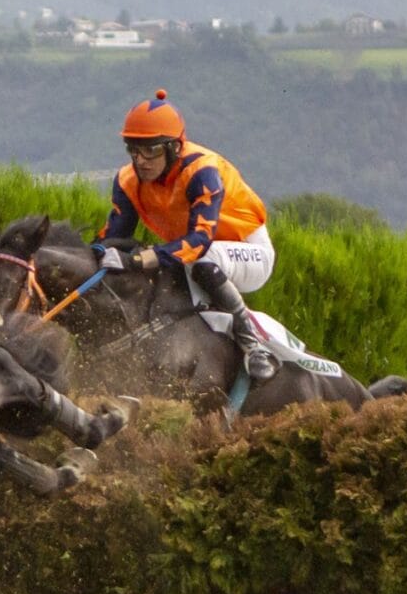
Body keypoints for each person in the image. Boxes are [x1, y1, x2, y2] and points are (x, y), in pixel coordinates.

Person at [93, 89, 277, 381]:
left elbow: (200, 241)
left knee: (203, 260)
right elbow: (113, 239)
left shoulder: (202, 171)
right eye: (133, 149)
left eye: (151, 150)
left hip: (247, 251)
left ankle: (253, 345)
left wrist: (140, 260)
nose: (140, 160)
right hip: (192, 253)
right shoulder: (127, 180)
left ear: (174, 147)